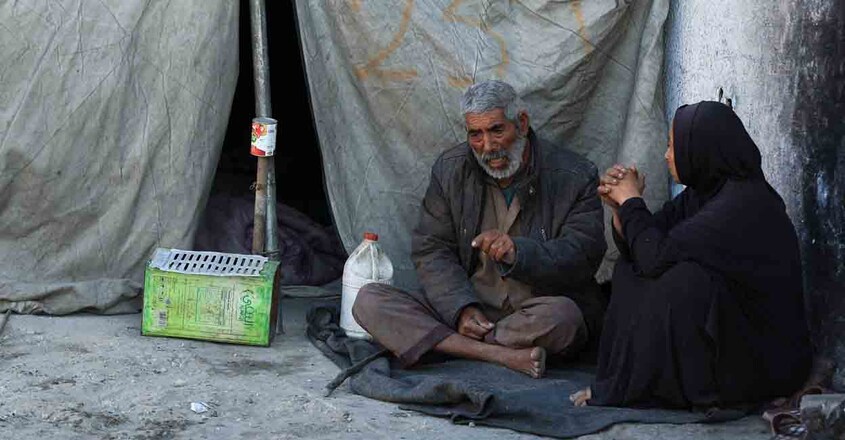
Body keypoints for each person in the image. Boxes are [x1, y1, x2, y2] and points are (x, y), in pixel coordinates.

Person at [352, 80, 606, 378]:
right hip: (470, 305)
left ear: (521, 124)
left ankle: (446, 347)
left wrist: (517, 252)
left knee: (565, 318)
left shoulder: (574, 175)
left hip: (532, 313)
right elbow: (431, 249)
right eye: (476, 135)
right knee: (370, 300)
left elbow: (582, 255)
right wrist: (460, 308)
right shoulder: (451, 170)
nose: (487, 146)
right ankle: (501, 356)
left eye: (497, 130)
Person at [571, 101, 812, 408]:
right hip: (729, 338)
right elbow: (644, 245)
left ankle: (647, 386)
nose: (667, 155)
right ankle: (625, 380)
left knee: (683, 281)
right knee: (629, 269)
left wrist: (632, 202)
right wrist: (621, 208)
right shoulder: (703, 192)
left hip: (766, 360)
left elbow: (655, 256)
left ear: (700, 149)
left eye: (673, 145)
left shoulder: (742, 205)